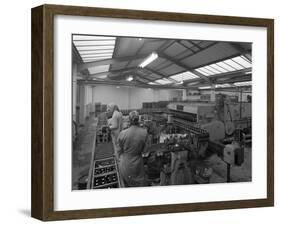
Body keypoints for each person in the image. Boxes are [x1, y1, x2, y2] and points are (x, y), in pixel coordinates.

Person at [116, 111, 148, 187]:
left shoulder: (123, 133)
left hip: (126, 164)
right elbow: (145, 150)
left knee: (126, 184)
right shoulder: (144, 132)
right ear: (138, 119)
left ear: (129, 120)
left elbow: (119, 151)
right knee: (138, 184)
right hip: (138, 164)